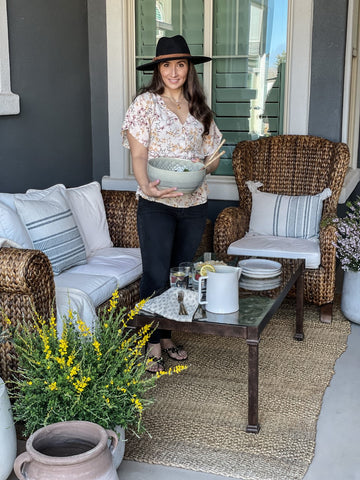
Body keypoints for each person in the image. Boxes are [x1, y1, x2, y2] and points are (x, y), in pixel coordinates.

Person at [122, 35, 222, 373]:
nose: (174, 71)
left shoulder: (200, 110)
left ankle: (165, 335)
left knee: (179, 274)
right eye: (167, 64)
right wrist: (145, 187)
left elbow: (212, 158)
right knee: (154, 273)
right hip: (156, 202)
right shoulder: (145, 104)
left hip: (194, 204)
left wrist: (206, 167)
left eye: (180, 64)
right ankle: (151, 341)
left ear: (189, 68)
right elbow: (138, 155)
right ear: (158, 69)